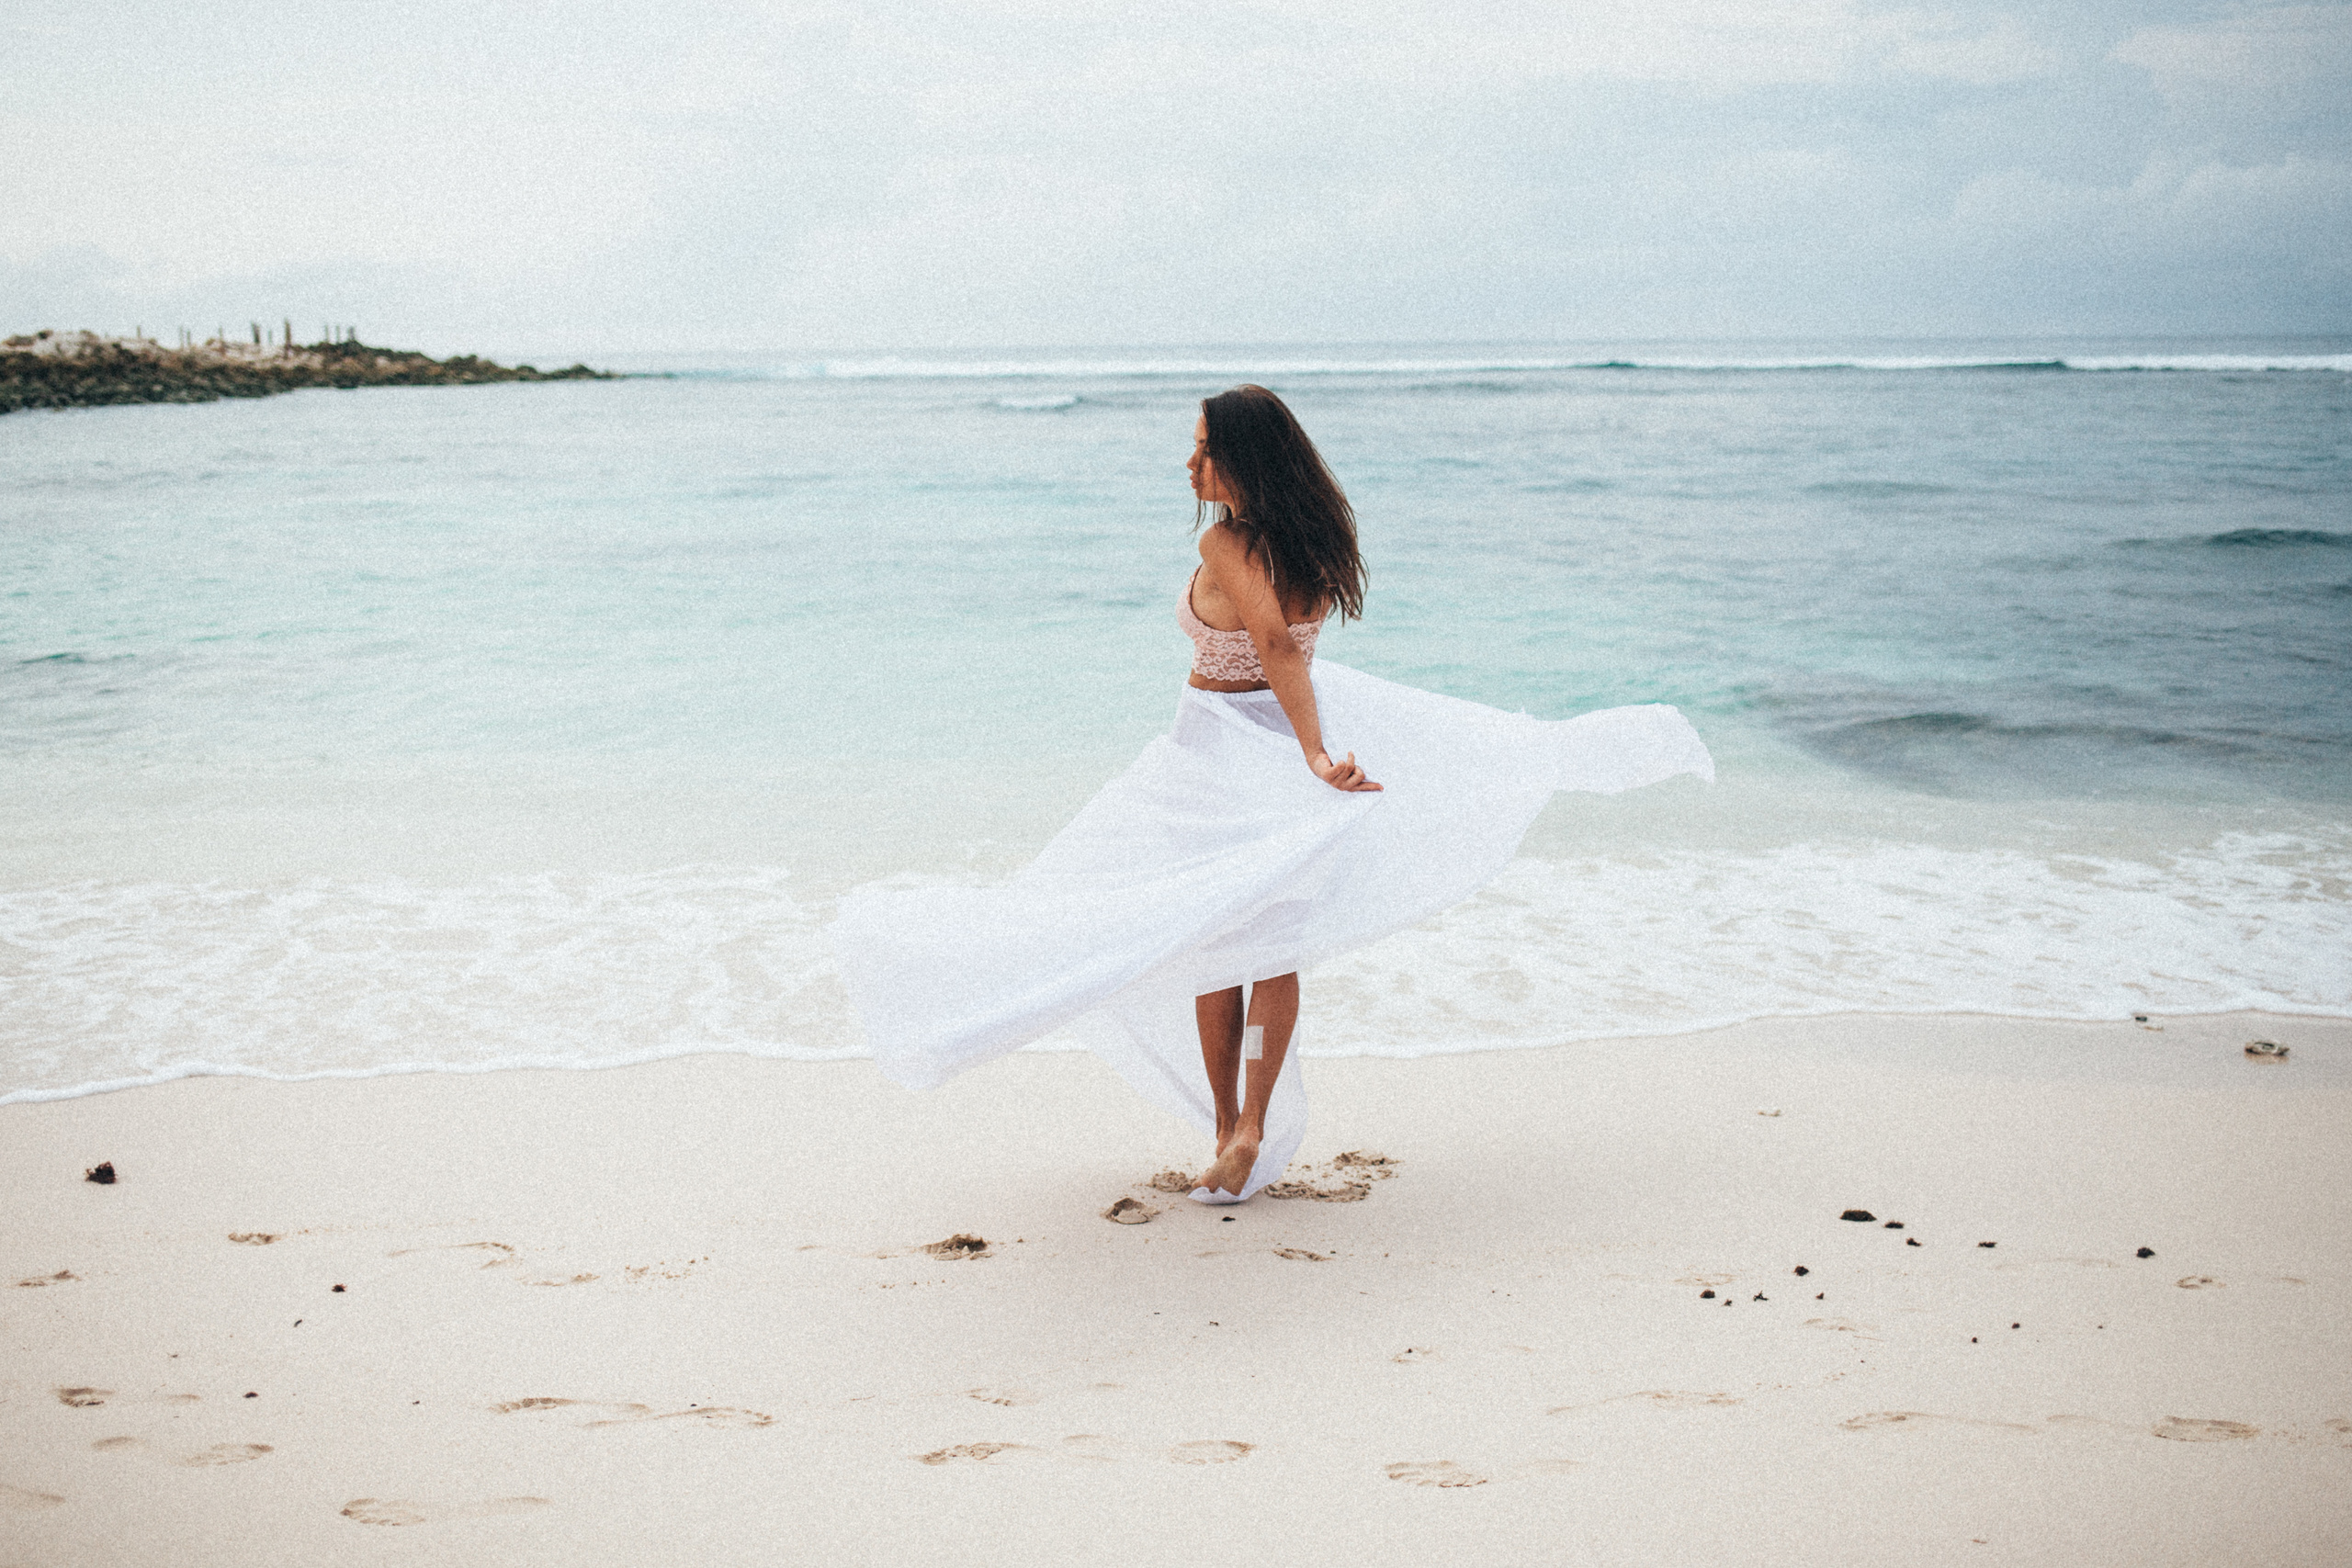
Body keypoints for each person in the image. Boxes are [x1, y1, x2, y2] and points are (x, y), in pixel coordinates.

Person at [832, 385, 1712, 1203]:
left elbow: (1274, 649)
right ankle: (1244, 1125)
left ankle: (1230, 1124)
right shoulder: (1320, 541)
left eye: (1205, 452)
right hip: (1273, 757)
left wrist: (1320, 753)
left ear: (1243, 463)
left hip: (1217, 755)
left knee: (1197, 933)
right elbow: (1292, 647)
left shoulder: (1226, 542)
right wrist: (1310, 752)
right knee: (1268, 946)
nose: (1190, 467)